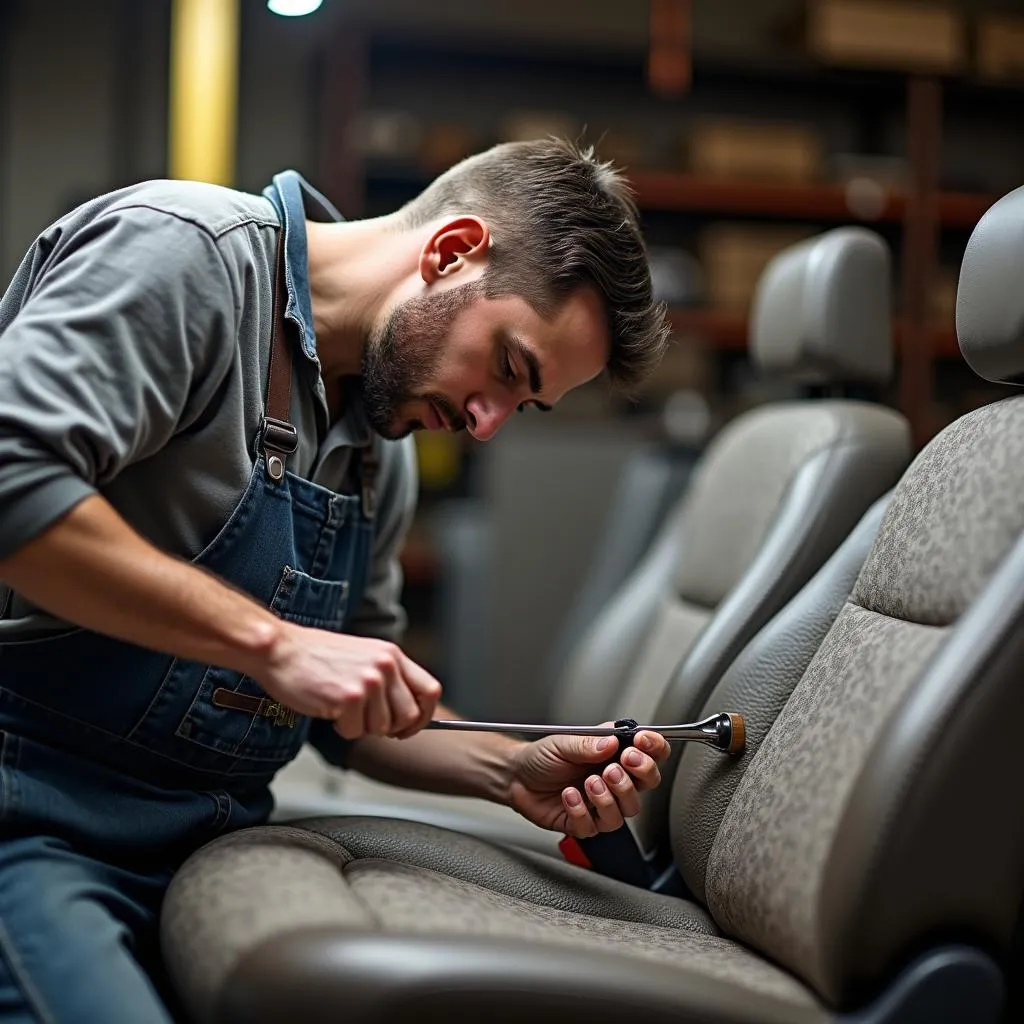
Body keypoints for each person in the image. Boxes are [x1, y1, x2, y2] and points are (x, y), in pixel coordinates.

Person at [0, 138, 671, 1022]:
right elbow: (13, 479)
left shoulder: (375, 456)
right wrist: (272, 645)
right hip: (31, 818)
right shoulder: (186, 255)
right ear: (449, 251)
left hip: (207, 847)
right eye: (508, 368)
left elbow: (351, 713)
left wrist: (509, 772)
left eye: (524, 406)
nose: (486, 424)